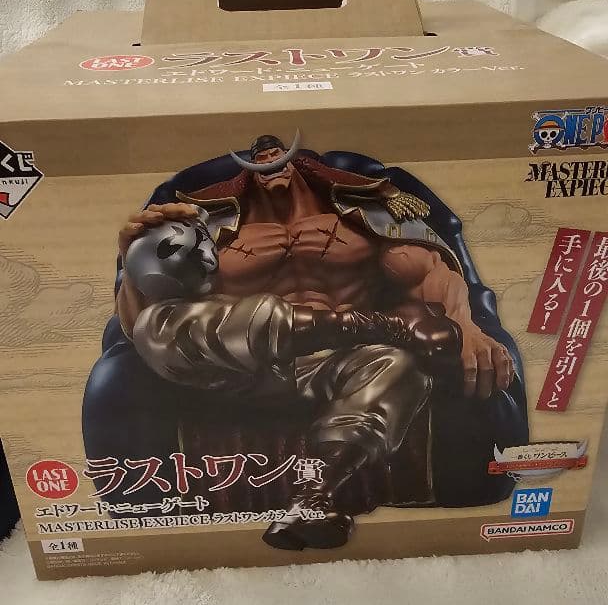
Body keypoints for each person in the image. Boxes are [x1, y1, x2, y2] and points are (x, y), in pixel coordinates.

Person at [114, 134, 516, 551]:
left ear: (297, 161)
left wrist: (467, 325)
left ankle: (312, 497)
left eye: (277, 153)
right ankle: (375, 325)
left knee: (399, 366)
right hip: (244, 368)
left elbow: (429, 272)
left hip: (344, 362)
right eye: (261, 156)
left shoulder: (367, 215)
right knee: (154, 328)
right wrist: (133, 260)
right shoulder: (202, 227)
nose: (270, 160)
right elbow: (143, 324)